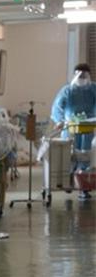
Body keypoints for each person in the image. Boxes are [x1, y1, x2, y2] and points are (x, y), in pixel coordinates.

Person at [51, 63, 96, 200]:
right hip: (70, 127)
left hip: (87, 127)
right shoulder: (67, 90)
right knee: (69, 155)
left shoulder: (93, 89)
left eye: (84, 75)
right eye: (79, 75)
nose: (82, 78)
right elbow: (58, 106)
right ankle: (69, 182)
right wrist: (59, 121)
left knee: (86, 156)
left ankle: (84, 187)